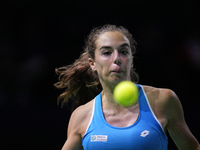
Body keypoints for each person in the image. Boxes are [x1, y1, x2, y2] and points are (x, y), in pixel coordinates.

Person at [54, 24, 200, 150]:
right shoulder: (82, 116)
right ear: (92, 63)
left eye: (124, 52)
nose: (117, 58)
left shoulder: (163, 100)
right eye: (107, 53)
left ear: (131, 60)